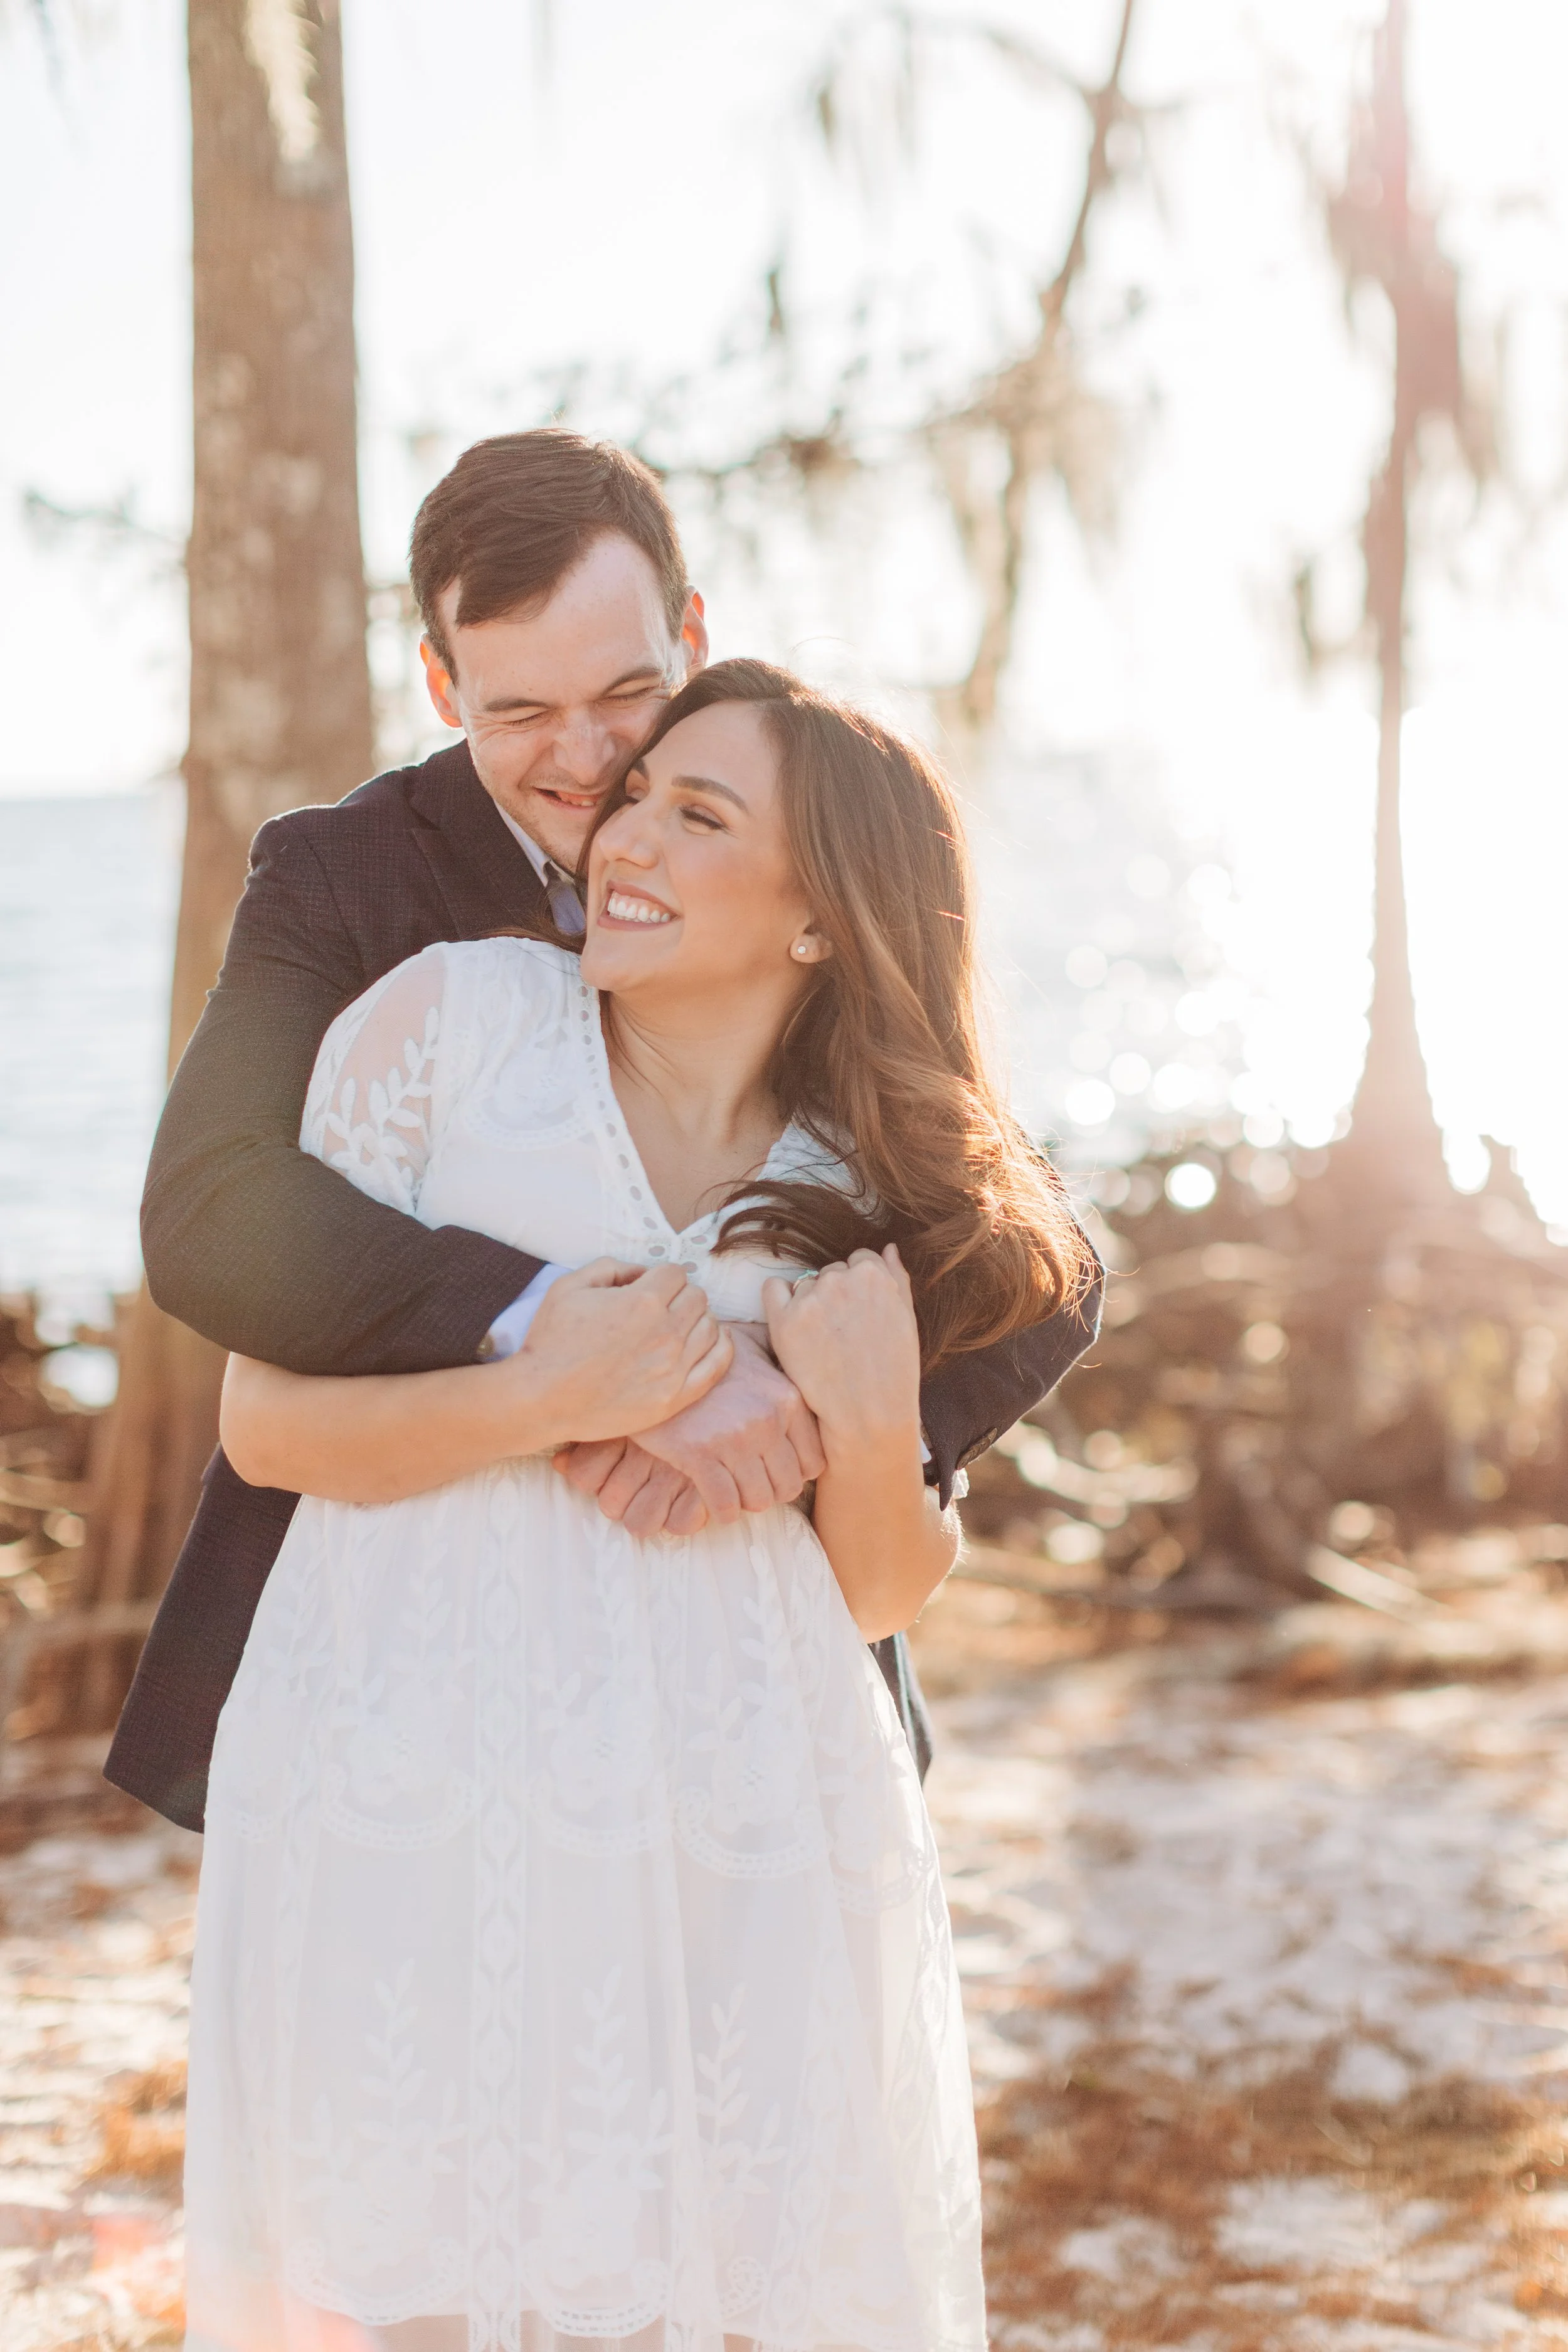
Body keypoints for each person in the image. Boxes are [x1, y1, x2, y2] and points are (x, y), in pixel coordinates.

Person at [182, 659, 1098, 2351]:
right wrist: (565, 1388)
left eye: (701, 811)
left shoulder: (864, 1183)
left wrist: (872, 1408)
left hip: (737, 1801)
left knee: (720, 2288)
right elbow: (268, 1423)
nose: (625, 835)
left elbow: (881, 1590)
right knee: (402, 2290)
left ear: (819, 913)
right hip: (408, 1762)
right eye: (633, 798)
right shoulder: (442, 1027)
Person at [105, 432, 1101, 1832]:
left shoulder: (793, 853)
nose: (583, 765)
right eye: (516, 712)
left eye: (628, 692)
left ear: (690, 635)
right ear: (442, 685)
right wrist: (586, 1341)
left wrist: (821, 1425)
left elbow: (1042, 1258)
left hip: (743, 1684)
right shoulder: (343, 876)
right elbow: (213, 1209)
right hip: (395, 1670)